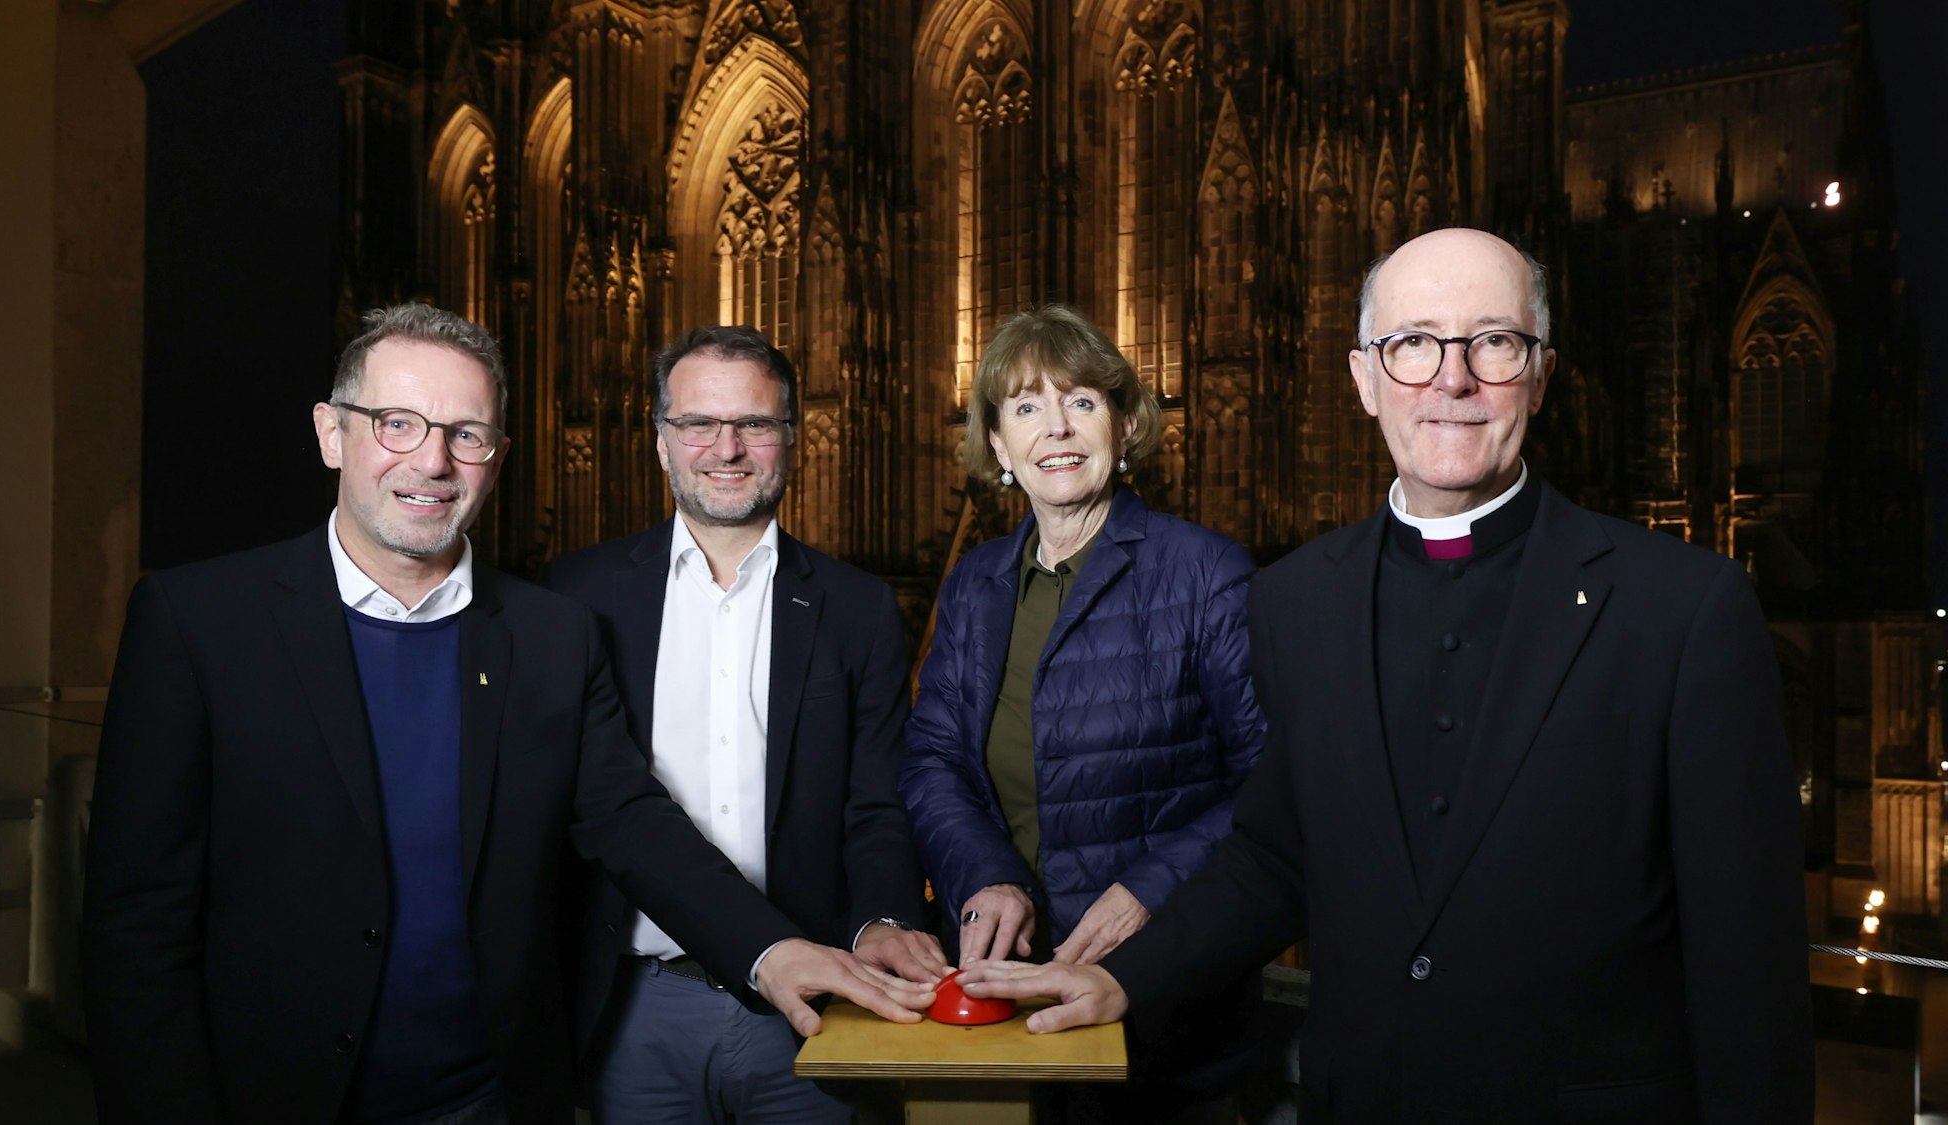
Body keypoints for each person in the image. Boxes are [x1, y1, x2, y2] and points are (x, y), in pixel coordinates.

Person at [962, 228, 1814, 1122]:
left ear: (1543, 373)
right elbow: (1273, 855)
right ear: (1366, 380)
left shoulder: (1684, 608)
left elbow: (1748, 967)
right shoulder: (1294, 601)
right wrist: (1123, 979)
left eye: (1494, 341)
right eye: (1412, 344)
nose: (1452, 379)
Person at [81, 304, 929, 1125]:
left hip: (491, 1096)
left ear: (498, 455)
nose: (433, 461)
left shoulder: (548, 633)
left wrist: (769, 951)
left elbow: (629, 818)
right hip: (269, 1095)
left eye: (466, 434)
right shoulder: (195, 623)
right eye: (397, 423)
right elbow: (136, 928)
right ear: (331, 433)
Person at [545, 325, 945, 1123]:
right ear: (662, 442)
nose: (726, 447)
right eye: (698, 423)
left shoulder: (858, 606)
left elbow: (876, 804)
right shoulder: (577, 596)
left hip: (815, 1005)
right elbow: (581, 807)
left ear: (791, 441)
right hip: (635, 1006)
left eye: (754, 424)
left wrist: (883, 920)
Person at [900, 304, 1266, 1111]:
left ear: (1125, 422)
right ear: (998, 444)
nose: (1055, 428)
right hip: (1008, 989)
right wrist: (985, 877)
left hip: (1163, 998)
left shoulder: (1206, 573)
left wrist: (1149, 890)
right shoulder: (977, 582)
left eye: (1082, 401)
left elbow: (1273, 782)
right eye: (1026, 407)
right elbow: (934, 759)